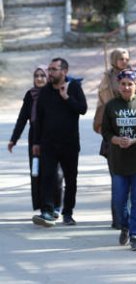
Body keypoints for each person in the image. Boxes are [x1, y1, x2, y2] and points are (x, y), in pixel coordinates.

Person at [101, 69, 136, 251]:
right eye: (123, 83)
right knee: (119, 201)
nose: (126, 87)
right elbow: (106, 131)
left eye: (130, 84)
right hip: (118, 162)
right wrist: (116, 140)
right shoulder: (111, 106)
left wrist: (134, 140)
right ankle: (125, 225)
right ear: (118, 86)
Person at [31, 58, 88, 227]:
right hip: (48, 144)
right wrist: (36, 142)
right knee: (47, 177)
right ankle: (47, 211)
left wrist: (66, 97)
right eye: (49, 69)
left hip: (69, 144)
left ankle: (68, 213)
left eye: (54, 69)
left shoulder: (74, 88)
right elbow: (38, 119)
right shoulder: (45, 91)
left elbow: (82, 109)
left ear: (64, 71)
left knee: (71, 180)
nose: (50, 73)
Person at [7, 66, 63, 217]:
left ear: (48, 77)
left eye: (42, 76)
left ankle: (56, 205)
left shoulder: (55, 93)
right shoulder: (30, 95)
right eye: (36, 75)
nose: (39, 78)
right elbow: (22, 118)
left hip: (54, 137)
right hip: (35, 138)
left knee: (56, 174)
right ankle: (45, 208)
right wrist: (14, 139)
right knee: (38, 172)